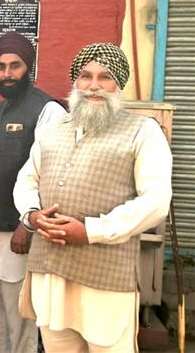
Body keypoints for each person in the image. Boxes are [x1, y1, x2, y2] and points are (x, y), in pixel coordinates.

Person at [14, 43, 172, 352]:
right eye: (86, 76)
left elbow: (156, 202)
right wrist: (32, 215)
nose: (94, 86)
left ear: (118, 84)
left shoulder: (143, 131)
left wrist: (90, 231)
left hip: (105, 280)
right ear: (75, 82)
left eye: (105, 77)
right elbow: (26, 179)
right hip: (50, 274)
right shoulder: (53, 129)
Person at [0, 33, 66, 353]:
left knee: (19, 314)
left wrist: (27, 225)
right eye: (1, 66)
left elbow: (52, 175)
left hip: (15, 233)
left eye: (15, 66)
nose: (7, 73)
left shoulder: (47, 110)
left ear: (28, 67)